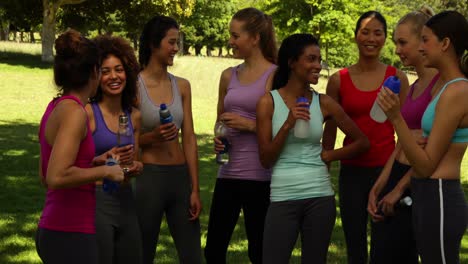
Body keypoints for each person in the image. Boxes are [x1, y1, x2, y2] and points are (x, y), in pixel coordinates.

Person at [256, 33, 369, 264]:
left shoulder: (324, 103)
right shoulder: (268, 102)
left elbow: (362, 142)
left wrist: (329, 155)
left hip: (319, 196)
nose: (318, 65)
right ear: (291, 62)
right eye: (311, 59)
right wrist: (288, 123)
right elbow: (266, 159)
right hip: (283, 196)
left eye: (319, 60)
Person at [378, 10, 468, 264]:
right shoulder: (448, 88)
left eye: (426, 40)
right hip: (426, 193)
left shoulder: (458, 90)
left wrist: (396, 118)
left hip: (439, 193)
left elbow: (427, 165)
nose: (422, 47)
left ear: (445, 43)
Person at [322, 11, 409, 264]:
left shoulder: (396, 78)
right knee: (355, 242)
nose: (371, 38)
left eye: (378, 32)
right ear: (356, 36)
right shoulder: (339, 79)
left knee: (384, 244)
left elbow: (403, 128)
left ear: (385, 38)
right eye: (365, 31)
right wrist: (325, 164)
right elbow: (330, 127)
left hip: (386, 169)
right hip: (351, 172)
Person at [35, 29, 124, 264]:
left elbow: (45, 175)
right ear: (94, 72)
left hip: (55, 229)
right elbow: (56, 176)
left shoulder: (55, 107)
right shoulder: (75, 113)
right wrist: (106, 171)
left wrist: (93, 163)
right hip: (69, 233)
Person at [366, 6, 441, 264]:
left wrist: (399, 189)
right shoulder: (413, 85)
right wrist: (379, 186)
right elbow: (403, 144)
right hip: (397, 175)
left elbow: (434, 151)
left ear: (423, 41)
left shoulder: (440, 87)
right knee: (380, 254)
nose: (396, 49)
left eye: (402, 42)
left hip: (416, 184)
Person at [203, 7, 277, 264]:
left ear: (255, 38)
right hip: (228, 174)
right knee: (213, 250)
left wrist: (251, 125)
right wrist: (218, 137)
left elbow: (283, 129)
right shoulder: (228, 75)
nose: (230, 41)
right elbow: (219, 120)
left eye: (236, 36)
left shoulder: (275, 75)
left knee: (259, 252)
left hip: (261, 177)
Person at [135, 15, 201, 264]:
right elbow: (122, 140)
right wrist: (151, 137)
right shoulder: (133, 85)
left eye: (178, 42)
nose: (176, 48)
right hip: (149, 178)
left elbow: (190, 138)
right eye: (171, 42)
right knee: (143, 253)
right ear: (154, 44)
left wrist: (194, 188)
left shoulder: (182, 85)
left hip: (180, 179)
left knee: (193, 256)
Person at [86, 34, 143, 264]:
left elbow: (130, 166)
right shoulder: (87, 114)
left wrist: (135, 167)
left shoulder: (135, 116)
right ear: (96, 76)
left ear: (127, 73)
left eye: (118, 70)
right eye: (106, 71)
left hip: (126, 200)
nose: (113, 77)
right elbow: (71, 167)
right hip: (96, 201)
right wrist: (100, 162)